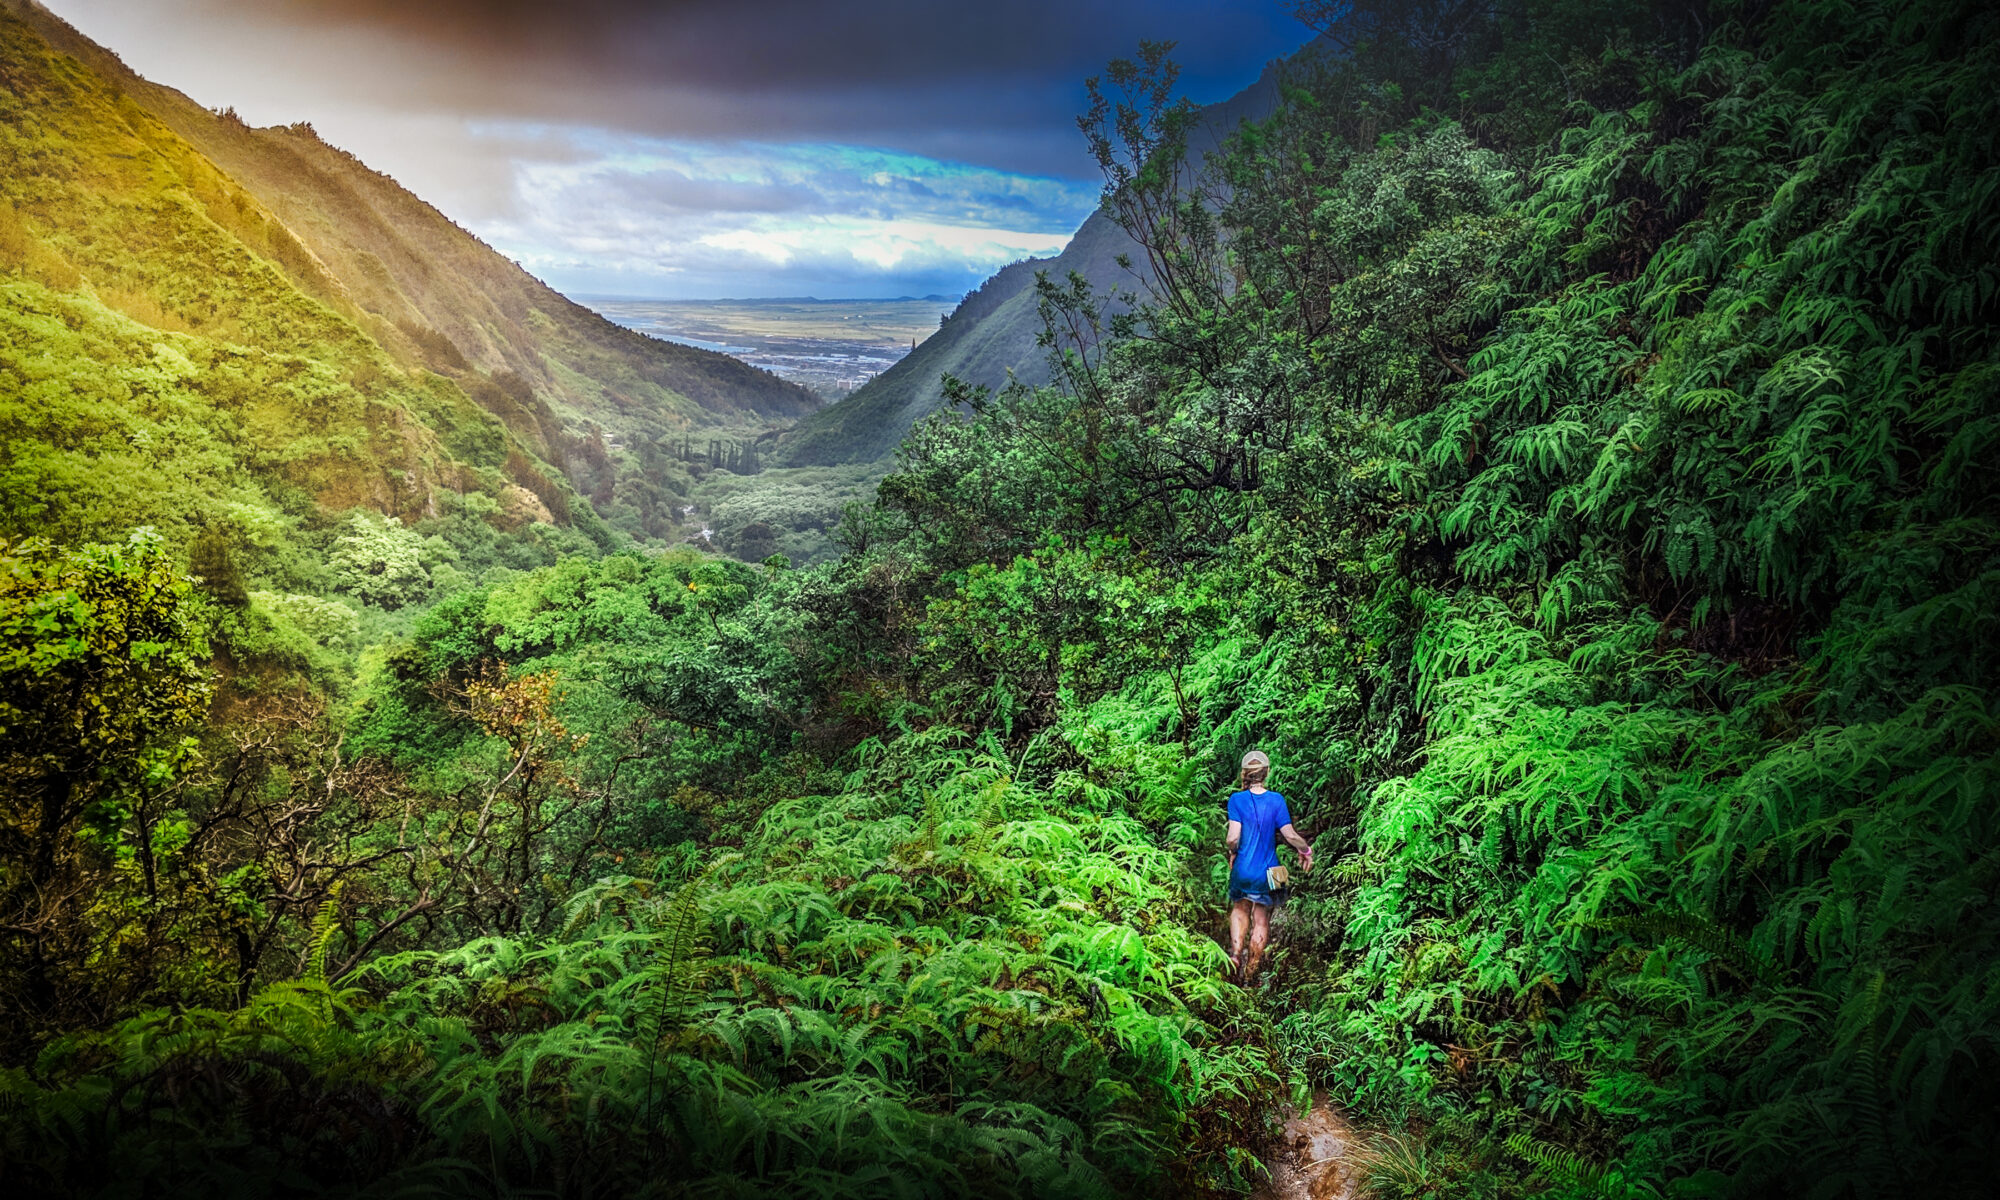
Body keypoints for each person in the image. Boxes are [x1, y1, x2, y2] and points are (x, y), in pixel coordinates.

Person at [1224, 749, 1312, 983]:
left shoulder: (1236, 800)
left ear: (1244, 774)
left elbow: (1232, 838)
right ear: (1266, 772)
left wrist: (1233, 852)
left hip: (1243, 869)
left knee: (1240, 909)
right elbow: (1290, 835)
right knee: (1262, 920)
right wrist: (1305, 850)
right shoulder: (1277, 800)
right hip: (1273, 871)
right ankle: (1251, 973)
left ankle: (1235, 955)